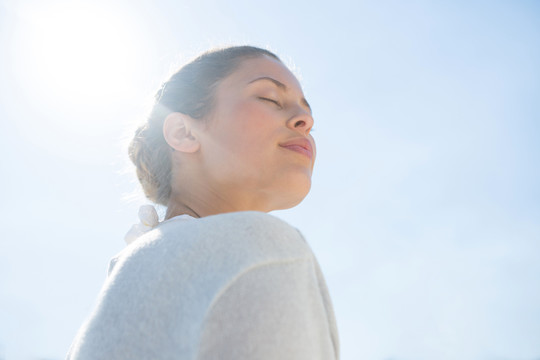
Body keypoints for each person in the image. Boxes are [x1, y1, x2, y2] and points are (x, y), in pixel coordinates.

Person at [66, 45, 340, 359]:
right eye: (270, 98)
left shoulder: (131, 277)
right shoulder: (263, 251)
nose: (305, 119)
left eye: (309, 115)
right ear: (183, 132)